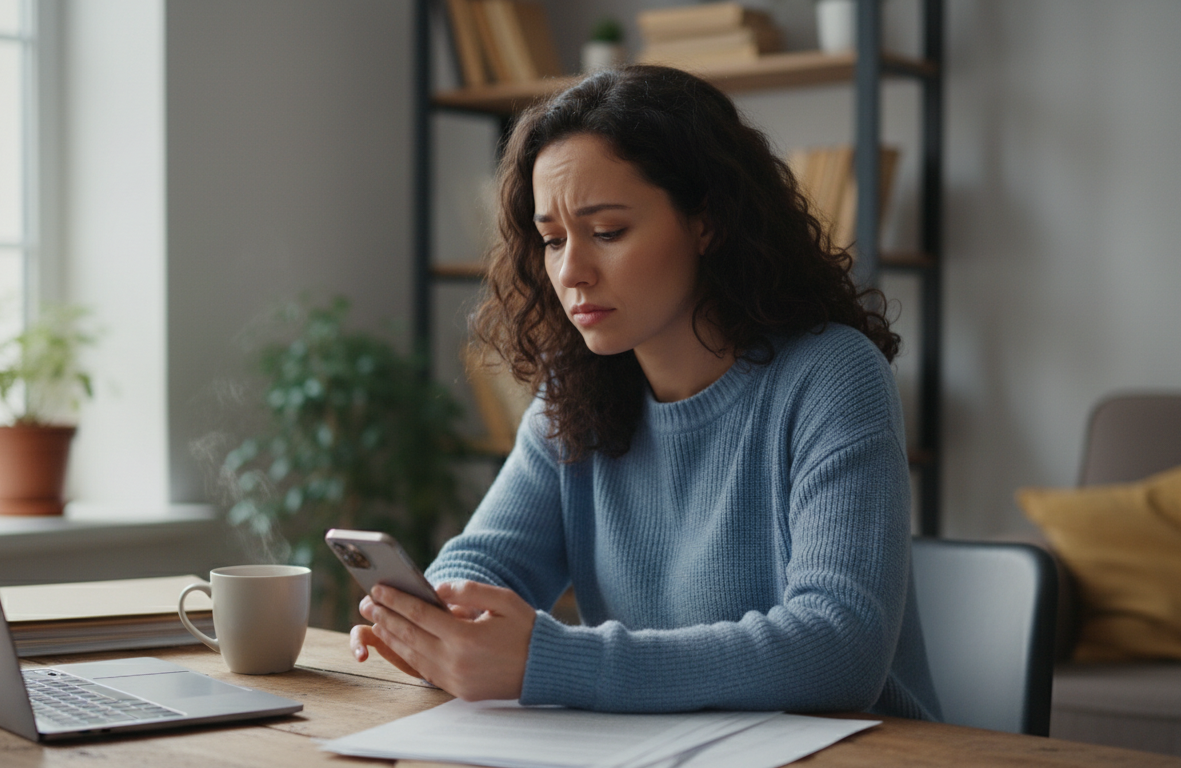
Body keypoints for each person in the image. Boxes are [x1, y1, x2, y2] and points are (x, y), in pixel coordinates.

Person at [350, 65, 941, 720]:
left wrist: (552, 661)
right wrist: (432, 623)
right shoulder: (574, 395)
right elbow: (487, 565)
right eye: (551, 240)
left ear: (707, 222)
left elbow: (840, 652)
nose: (570, 271)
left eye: (607, 232)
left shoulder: (832, 374)